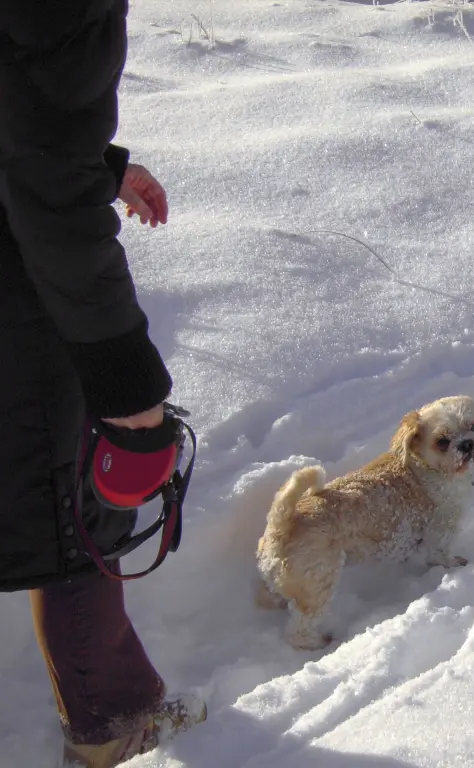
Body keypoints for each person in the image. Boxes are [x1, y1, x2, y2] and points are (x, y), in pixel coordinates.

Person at [0, 2, 206, 766]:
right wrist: (130, 394)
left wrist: (100, 164)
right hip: (24, 306)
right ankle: (115, 729)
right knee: (73, 523)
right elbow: (52, 203)